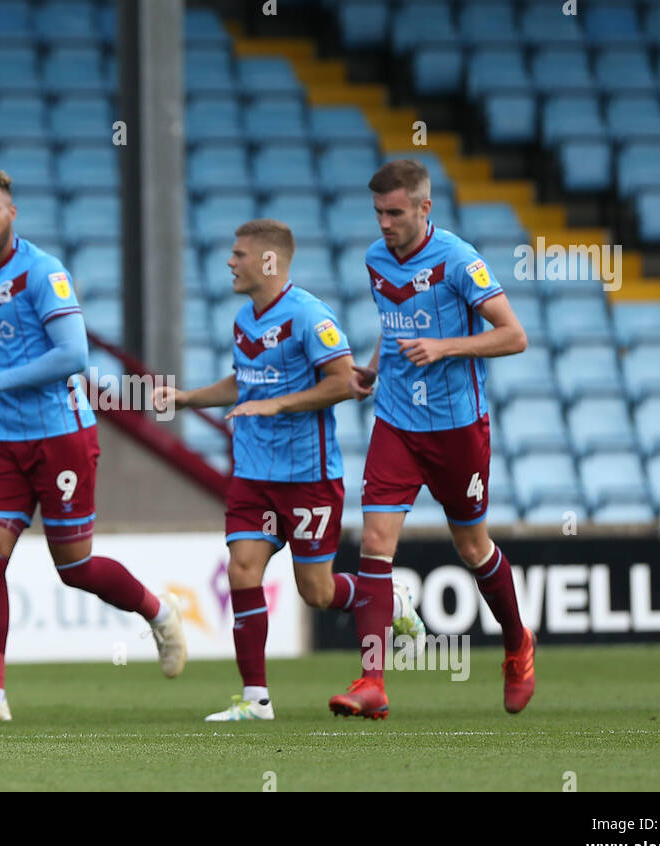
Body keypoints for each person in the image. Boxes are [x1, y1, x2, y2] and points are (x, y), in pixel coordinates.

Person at [0, 167, 186, 721]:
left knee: (73, 567)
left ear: (12, 212)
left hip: (61, 436)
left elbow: (74, 357)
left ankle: (159, 613)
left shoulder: (44, 273)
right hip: (0, 442)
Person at [155, 219, 421, 722]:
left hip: (308, 476)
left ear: (269, 261)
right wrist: (188, 399)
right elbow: (244, 382)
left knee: (316, 592)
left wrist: (277, 406)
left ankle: (390, 600)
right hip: (254, 474)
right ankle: (255, 700)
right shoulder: (243, 320)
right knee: (242, 570)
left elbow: (344, 383)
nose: (230, 263)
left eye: (239, 254)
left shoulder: (309, 316)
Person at [329, 158, 533, 718]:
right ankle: (372, 681)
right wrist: (372, 368)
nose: (385, 224)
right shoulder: (375, 260)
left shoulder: (460, 261)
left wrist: (445, 347)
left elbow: (514, 336)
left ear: (425, 208)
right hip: (396, 420)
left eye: (395, 212)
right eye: (378, 213)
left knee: (472, 548)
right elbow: (394, 325)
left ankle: (517, 643)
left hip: (457, 427)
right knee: (375, 542)